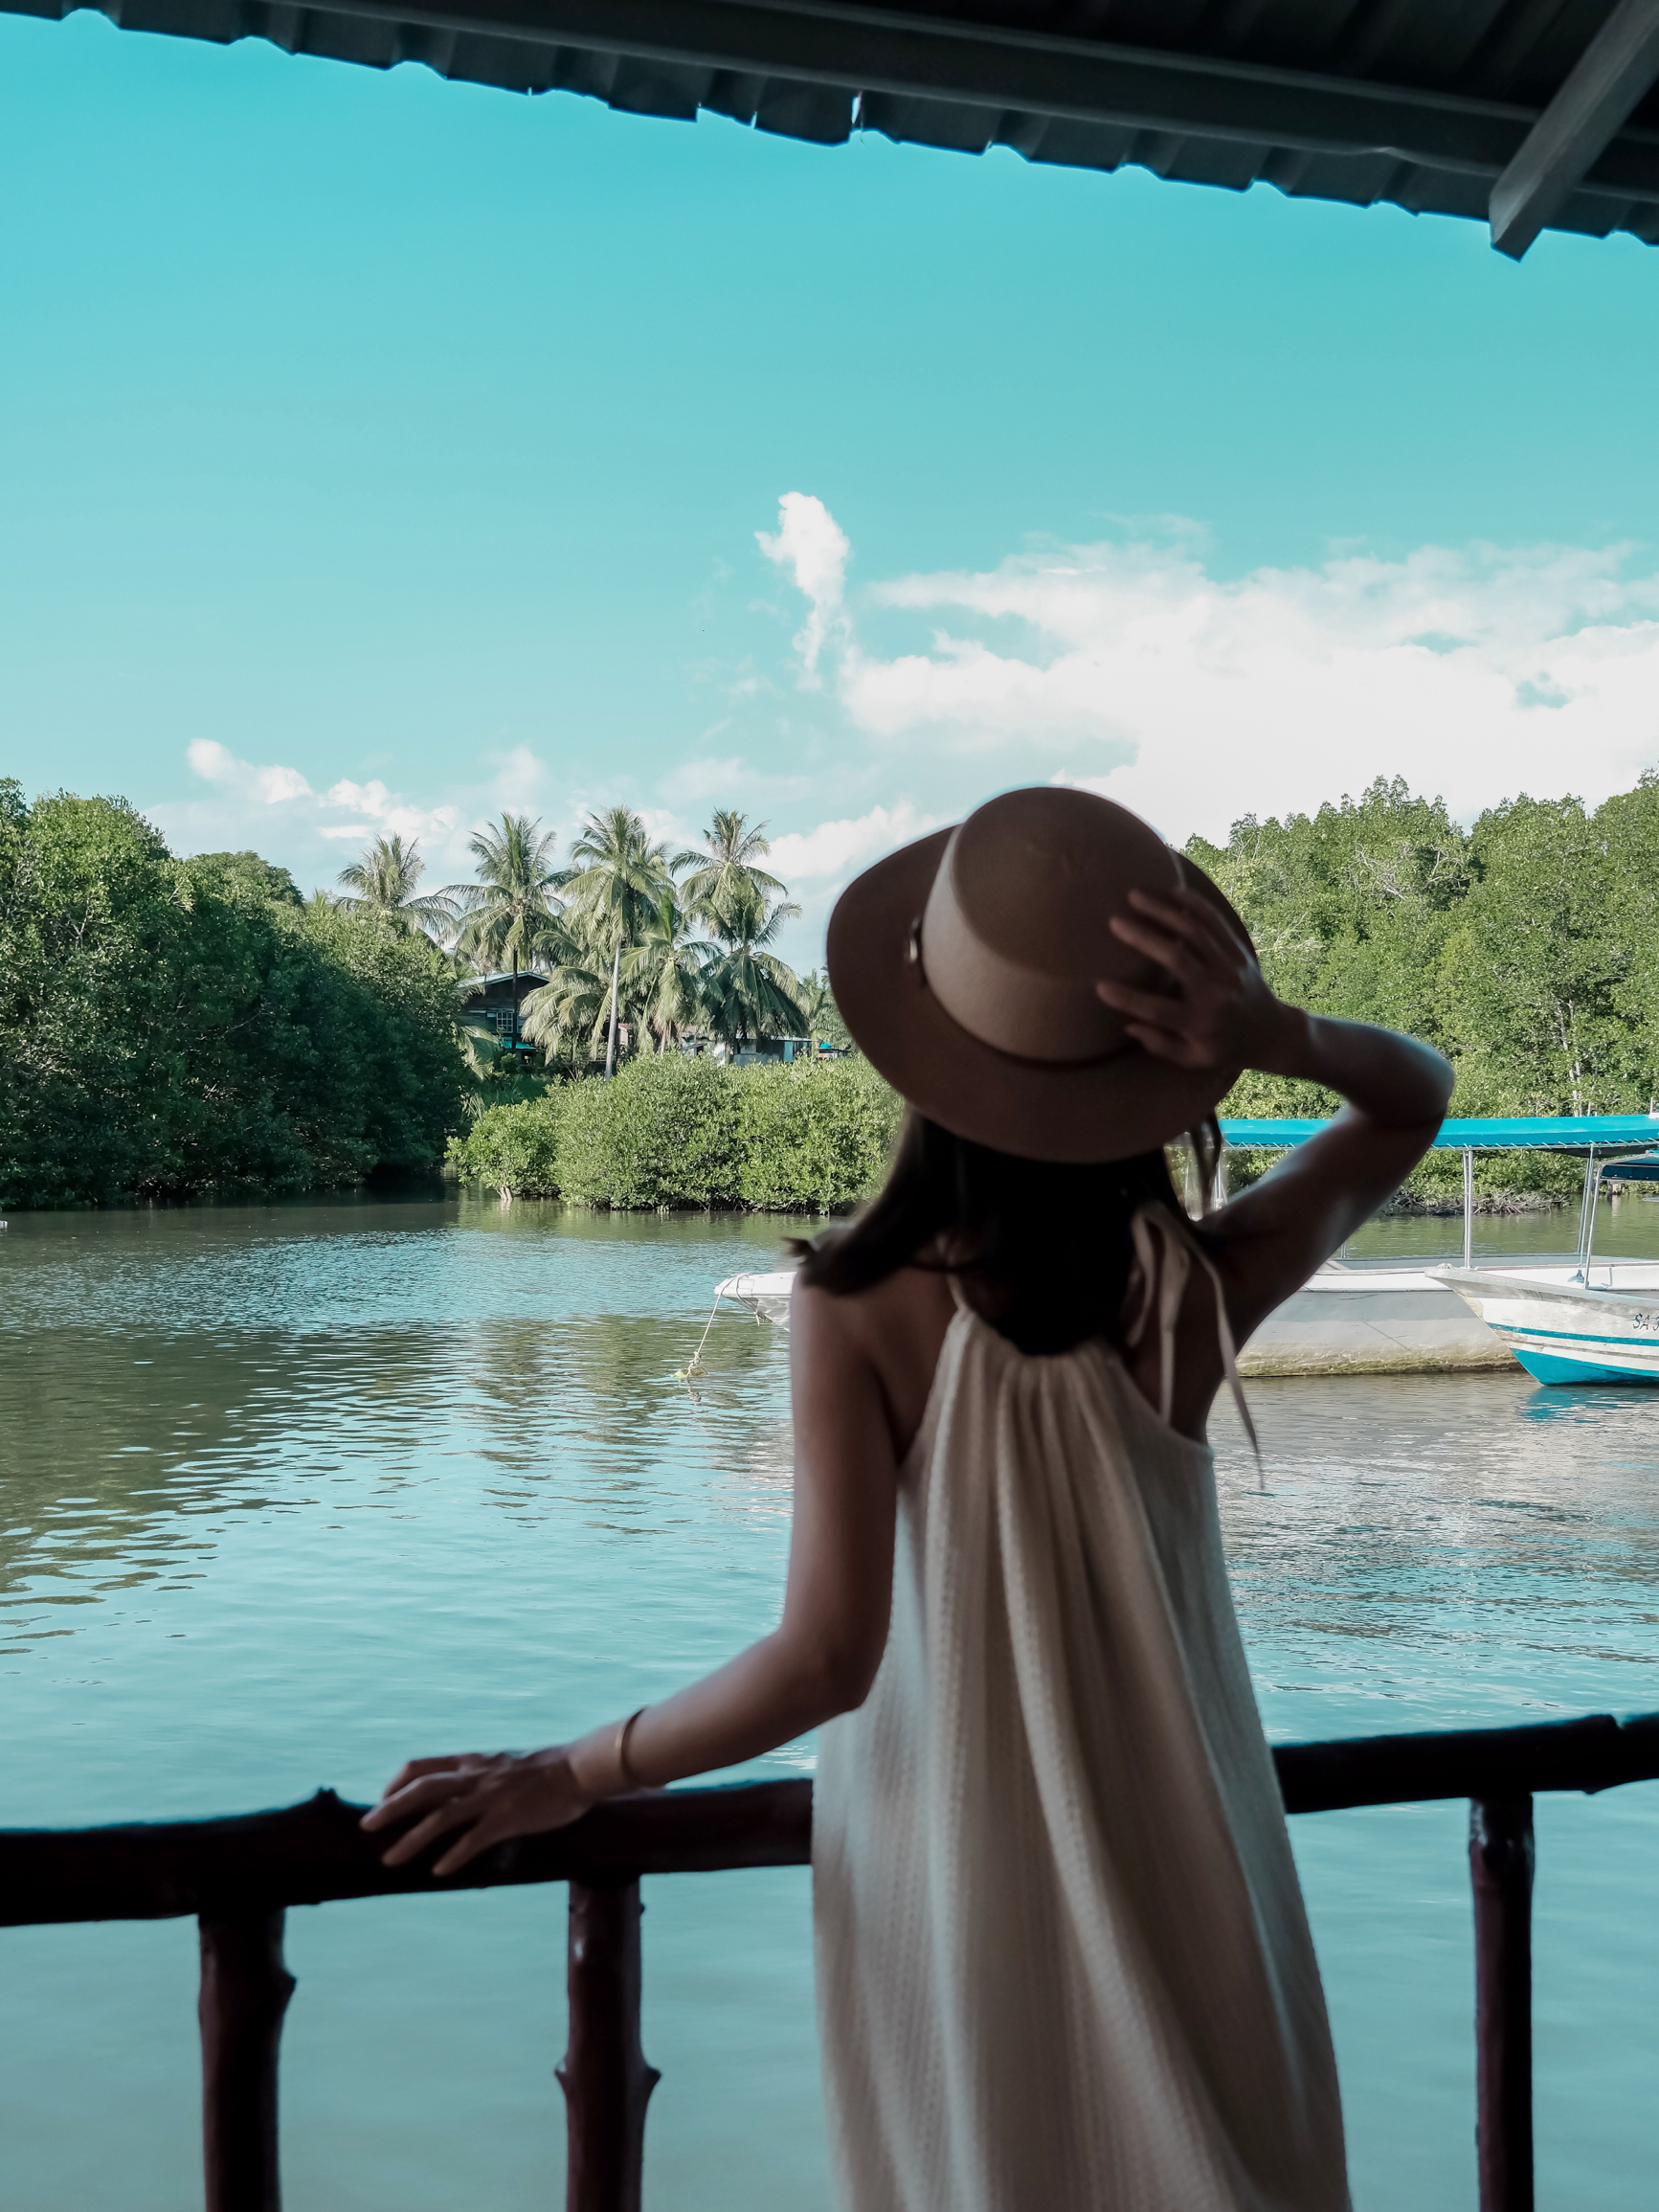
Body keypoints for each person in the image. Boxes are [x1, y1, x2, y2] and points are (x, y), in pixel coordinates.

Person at [365, 786, 1453, 2211]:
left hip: (963, 1888)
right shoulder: (1191, 1285)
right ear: (1144, 1074)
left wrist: (570, 1771)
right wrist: (1277, 1036)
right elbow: (1411, 1095)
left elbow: (824, 1657)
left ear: (923, 1057)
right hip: (1197, 1864)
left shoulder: (856, 1303)